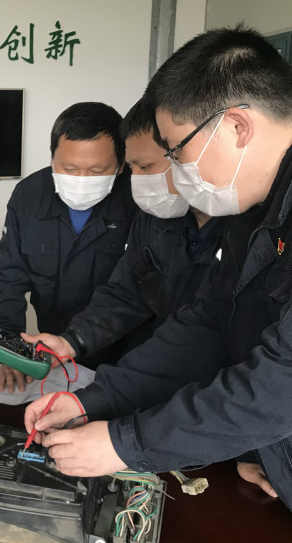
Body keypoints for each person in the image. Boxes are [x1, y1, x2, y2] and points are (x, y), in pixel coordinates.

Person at [24, 26, 292, 543]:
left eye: (178, 151)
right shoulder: (263, 202)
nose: (176, 172)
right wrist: (94, 400)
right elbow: (209, 325)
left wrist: (126, 443)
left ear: (237, 126)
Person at [21, 96, 222, 369]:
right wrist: (71, 341)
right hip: (142, 369)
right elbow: (128, 291)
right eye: (132, 168)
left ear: (184, 155)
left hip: (194, 379)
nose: (136, 181)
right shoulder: (154, 218)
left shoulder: (241, 231)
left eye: (145, 167)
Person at [0, 102, 137, 392]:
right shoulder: (29, 195)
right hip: (55, 352)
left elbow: (137, 291)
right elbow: (9, 278)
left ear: (121, 165)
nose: (80, 180)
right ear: (52, 158)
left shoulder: (137, 199)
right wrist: (10, 351)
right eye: (68, 168)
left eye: (97, 170)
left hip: (123, 356)